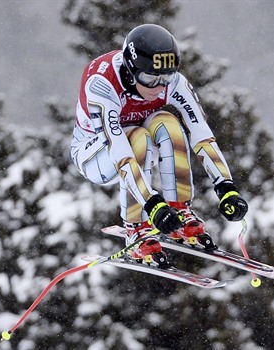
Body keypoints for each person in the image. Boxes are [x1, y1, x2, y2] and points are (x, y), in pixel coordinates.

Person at [70, 24, 248, 268]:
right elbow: (119, 152)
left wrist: (226, 186)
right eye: (150, 78)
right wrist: (152, 204)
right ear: (131, 71)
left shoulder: (173, 83)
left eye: (166, 77)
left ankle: (180, 210)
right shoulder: (102, 84)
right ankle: (136, 228)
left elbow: (201, 135)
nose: (159, 87)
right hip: (95, 154)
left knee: (169, 123)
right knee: (137, 137)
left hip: (137, 148)